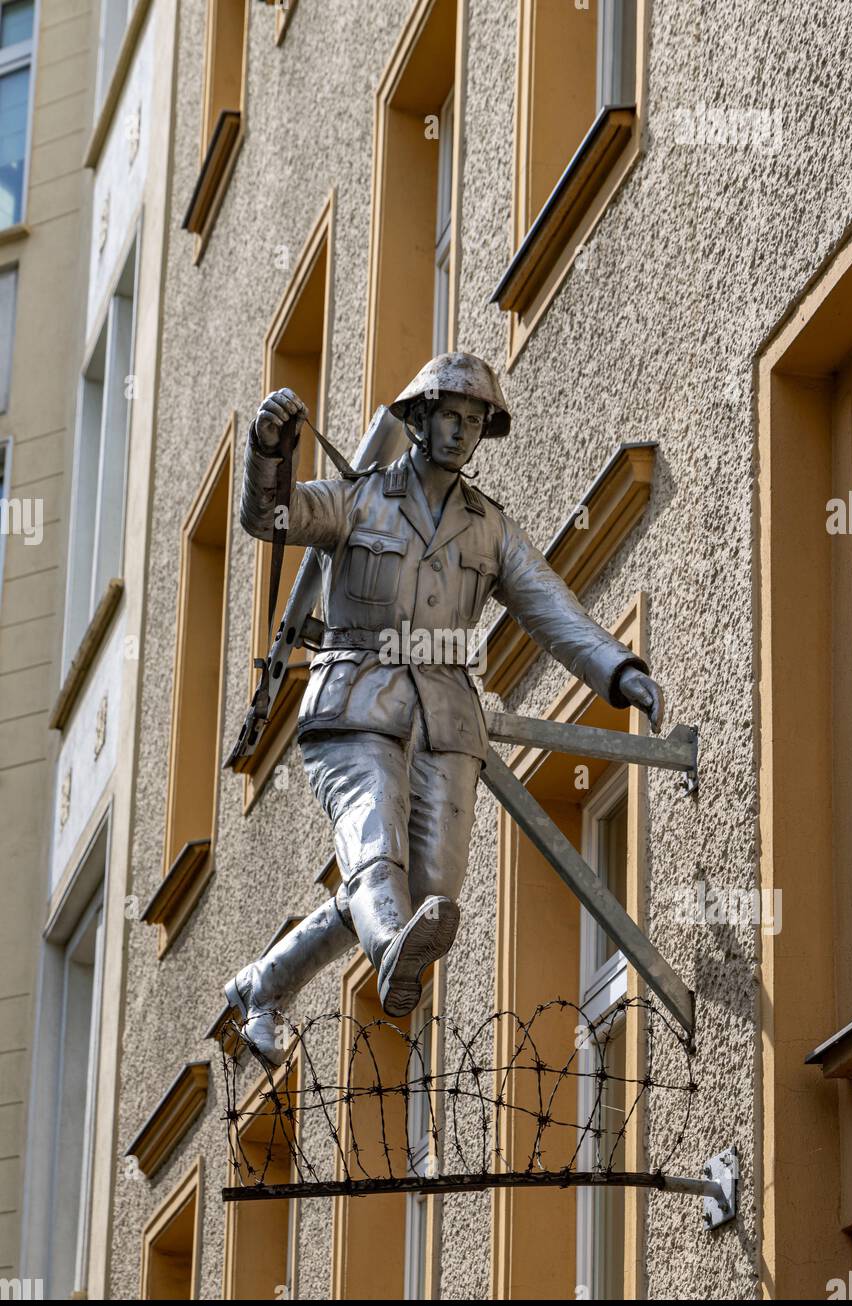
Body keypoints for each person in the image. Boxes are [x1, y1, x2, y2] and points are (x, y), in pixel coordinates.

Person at [225, 352, 663, 1063]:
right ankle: (387, 951)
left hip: (447, 720)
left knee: (423, 891)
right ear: (419, 420)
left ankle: (266, 982)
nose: (462, 432)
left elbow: (551, 606)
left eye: (475, 421)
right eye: (451, 417)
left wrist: (618, 671)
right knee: (377, 856)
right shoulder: (358, 498)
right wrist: (267, 450)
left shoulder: (487, 528)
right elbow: (272, 517)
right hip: (355, 703)